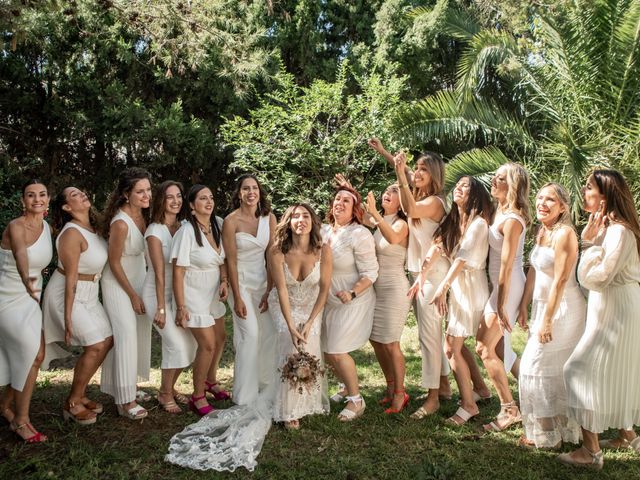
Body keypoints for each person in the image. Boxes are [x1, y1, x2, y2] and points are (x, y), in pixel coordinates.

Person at [558, 170, 640, 469]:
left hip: (617, 307)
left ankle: (590, 452)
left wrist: (588, 245)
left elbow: (596, 279)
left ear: (604, 196)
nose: (583, 190)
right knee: (617, 369)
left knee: (578, 370)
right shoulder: (613, 228)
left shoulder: (618, 230)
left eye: (589, 187)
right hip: (613, 305)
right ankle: (627, 434)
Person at [419, 176, 494, 425]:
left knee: (452, 348)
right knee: (458, 346)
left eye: (465, 186)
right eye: (458, 185)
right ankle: (481, 390)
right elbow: (437, 247)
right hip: (460, 287)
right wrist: (422, 275)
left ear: (475, 195)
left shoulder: (479, 224)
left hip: (471, 287)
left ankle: (469, 405)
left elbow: (461, 259)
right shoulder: (455, 221)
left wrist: (443, 287)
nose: (458, 189)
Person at [517, 183, 585, 448]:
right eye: (540, 198)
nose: (543, 204)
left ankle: (547, 436)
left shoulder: (565, 234)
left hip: (564, 308)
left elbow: (561, 279)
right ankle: (561, 430)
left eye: (550, 200)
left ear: (563, 207)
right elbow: (534, 270)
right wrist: (524, 303)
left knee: (534, 365)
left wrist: (546, 319)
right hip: (543, 305)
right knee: (551, 369)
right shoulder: (542, 230)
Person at [42, 187, 114, 425]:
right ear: (66, 207)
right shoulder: (71, 233)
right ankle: (71, 401)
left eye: (82, 192)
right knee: (94, 345)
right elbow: (71, 278)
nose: (82, 194)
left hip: (91, 293)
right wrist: (69, 315)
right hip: (67, 293)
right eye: (74, 195)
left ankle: (81, 393)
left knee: (107, 340)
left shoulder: (94, 229)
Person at [392, 149, 452, 418]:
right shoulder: (419, 196)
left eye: (423, 169)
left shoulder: (436, 202)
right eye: (416, 167)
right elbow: (404, 175)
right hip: (418, 273)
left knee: (428, 337)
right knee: (432, 334)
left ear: (434, 175)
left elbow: (411, 208)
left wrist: (399, 173)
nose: (416, 172)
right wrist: (388, 156)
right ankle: (445, 386)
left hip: (433, 274)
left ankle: (432, 398)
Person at [268, 203, 332, 429]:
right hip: (283, 304)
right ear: (289, 222)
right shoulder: (277, 251)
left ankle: (306, 402)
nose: (300, 220)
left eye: (305, 215)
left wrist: (310, 322)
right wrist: (291, 324)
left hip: (311, 306)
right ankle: (288, 409)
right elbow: (282, 289)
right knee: (290, 341)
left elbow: (324, 289)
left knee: (310, 342)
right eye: (295, 216)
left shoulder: (323, 250)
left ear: (313, 222)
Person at [476, 162, 530, 431]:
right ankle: (535, 391)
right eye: (494, 177)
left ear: (513, 185)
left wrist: (500, 304)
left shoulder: (512, 220)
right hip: (499, 286)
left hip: (507, 286)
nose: (493, 182)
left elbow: (507, 266)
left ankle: (509, 409)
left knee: (484, 348)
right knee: (499, 349)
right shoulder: (500, 211)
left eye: (499, 179)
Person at [0, 180, 52, 443]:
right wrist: (30, 284)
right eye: (31, 195)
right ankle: (20, 421)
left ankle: (6, 407)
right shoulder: (15, 226)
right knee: (34, 352)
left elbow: (40, 261)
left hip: (32, 297)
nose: (37, 199)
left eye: (42, 195)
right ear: (23, 201)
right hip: (9, 297)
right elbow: (21, 255)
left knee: (33, 355)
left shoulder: (47, 228)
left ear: (48, 200)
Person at [100, 167, 153, 420]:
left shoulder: (146, 216)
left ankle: (127, 385)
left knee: (140, 332)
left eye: (148, 190)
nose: (146, 195)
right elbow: (113, 262)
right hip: (118, 282)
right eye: (140, 191)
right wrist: (132, 294)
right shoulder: (120, 223)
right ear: (126, 194)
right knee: (126, 335)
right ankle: (124, 401)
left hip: (139, 278)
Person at [322, 185, 378, 421]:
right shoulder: (323, 230)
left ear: (355, 209)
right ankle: (345, 387)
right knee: (326, 350)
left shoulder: (360, 233)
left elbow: (371, 271)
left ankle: (356, 400)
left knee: (336, 349)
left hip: (353, 299)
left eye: (347, 200)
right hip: (327, 299)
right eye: (337, 199)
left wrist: (352, 293)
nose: (340, 203)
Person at [172, 184, 228, 416]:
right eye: (202, 198)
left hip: (213, 291)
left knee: (221, 338)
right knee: (207, 345)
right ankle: (197, 396)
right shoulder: (186, 232)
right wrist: (181, 306)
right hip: (193, 294)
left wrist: (224, 280)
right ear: (192, 206)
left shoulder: (218, 225)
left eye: (211, 197)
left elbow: (221, 259)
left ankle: (209, 380)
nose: (208, 201)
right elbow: (178, 272)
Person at [222, 174, 276, 406]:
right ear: (239, 193)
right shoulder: (231, 221)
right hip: (241, 283)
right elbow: (230, 261)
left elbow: (273, 255)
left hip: (263, 282)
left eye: (255, 188)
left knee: (268, 334)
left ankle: (265, 383)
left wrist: (271, 289)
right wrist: (237, 297)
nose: (251, 192)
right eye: (246, 188)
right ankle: (244, 395)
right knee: (250, 335)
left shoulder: (269, 218)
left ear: (259, 192)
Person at [142, 181, 196, 413]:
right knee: (175, 343)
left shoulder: (185, 226)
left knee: (191, 343)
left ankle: (170, 387)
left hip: (178, 293)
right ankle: (164, 394)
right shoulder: (154, 231)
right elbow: (158, 273)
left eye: (179, 196)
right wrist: (161, 308)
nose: (176, 201)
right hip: (157, 293)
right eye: (169, 197)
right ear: (160, 201)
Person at [364, 185, 411, 414]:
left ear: (402, 202)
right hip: (377, 290)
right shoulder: (379, 220)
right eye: (386, 191)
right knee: (376, 339)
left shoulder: (401, 224)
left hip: (395, 289)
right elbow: (359, 213)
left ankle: (401, 394)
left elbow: (391, 238)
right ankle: (391, 386)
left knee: (391, 342)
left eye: (394, 193)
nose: (387, 194)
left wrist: (374, 213)